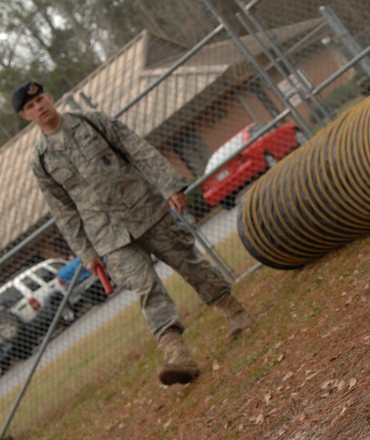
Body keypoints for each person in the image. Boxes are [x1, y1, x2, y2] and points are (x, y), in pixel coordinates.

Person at [14, 80, 253, 386]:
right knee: (145, 288)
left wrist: (170, 185)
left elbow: (136, 148)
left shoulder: (92, 121)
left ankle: (236, 313)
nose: (39, 107)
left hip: (147, 211)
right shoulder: (42, 160)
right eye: (30, 107)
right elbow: (63, 210)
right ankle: (178, 357)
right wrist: (86, 252)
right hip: (108, 237)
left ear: (49, 97)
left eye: (40, 100)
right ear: (26, 117)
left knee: (189, 265)